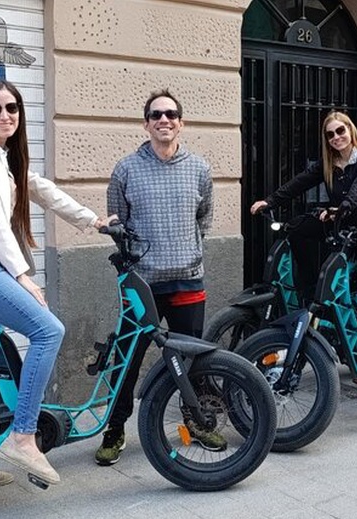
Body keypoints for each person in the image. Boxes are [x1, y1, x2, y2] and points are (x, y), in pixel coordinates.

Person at [0, 80, 114, 485]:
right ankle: (22, 436)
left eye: (11, 107)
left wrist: (94, 221)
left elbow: (45, 192)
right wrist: (21, 274)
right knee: (48, 330)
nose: (4, 115)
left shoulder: (4, 157)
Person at [97, 88, 217, 466]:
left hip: (187, 281)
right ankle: (114, 431)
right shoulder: (126, 169)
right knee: (126, 362)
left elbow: (205, 220)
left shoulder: (199, 168)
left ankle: (195, 423)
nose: (163, 120)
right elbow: (119, 222)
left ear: (181, 122)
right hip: (142, 285)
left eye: (170, 114)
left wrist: (186, 251)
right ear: (146, 123)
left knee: (190, 360)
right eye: (156, 115)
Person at [250, 111, 357, 361]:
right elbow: (299, 183)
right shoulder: (328, 162)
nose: (336, 137)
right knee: (297, 229)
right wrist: (269, 202)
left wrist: (343, 207)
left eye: (340, 131)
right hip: (339, 225)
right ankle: (311, 287)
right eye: (330, 134)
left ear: (350, 130)